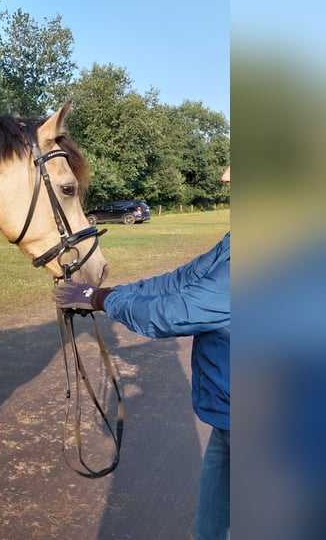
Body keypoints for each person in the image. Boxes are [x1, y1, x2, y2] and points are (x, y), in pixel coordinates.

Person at [55, 166, 230, 540]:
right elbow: (182, 280)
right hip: (230, 420)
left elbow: (173, 314)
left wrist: (100, 298)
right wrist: (111, 294)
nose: (226, 178)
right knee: (209, 529)